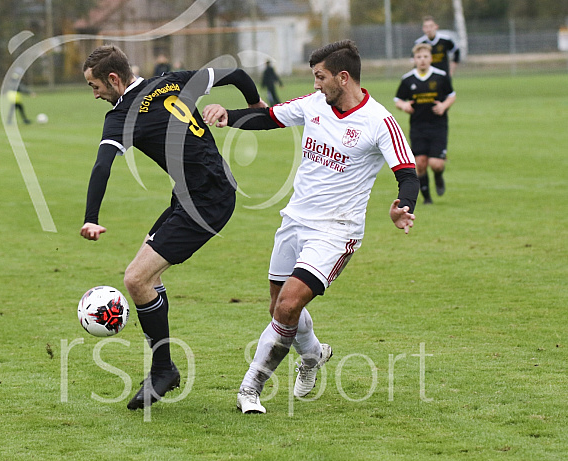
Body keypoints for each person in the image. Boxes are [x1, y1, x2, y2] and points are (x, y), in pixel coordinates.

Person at [202, 40, 418, 414]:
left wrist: (405, 206)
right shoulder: (315, 104)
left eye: (321, 77)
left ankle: (250, 388)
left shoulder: (379, 121)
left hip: (336, 230)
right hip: (295, 220)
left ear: (343, 77)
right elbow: (268, 117)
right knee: (279, 308)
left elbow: (408, 173)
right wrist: (227, 116)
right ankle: (314, 354)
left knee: (288, 305)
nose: (316, 84)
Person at [80, 45, 266, 410]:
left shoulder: (121, 117)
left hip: (205, 204)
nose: (95, 93)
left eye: (94, 85)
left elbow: (102, 166)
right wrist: (256, 102)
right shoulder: (172, 82)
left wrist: (91, 217)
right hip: (194, 196)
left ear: (113, 79)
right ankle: (163, 369)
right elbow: (233, 72)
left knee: (136, 280)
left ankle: (164, 370)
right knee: (146, 279)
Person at [395, 43, 456, 204]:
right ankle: (427, 198)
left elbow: (452, 95)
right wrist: (404, 105)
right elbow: (398, 99)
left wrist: (444, 106)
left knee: (435, 164)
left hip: (438, 126)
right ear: (414, 59)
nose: (422, 60)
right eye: (419, 57)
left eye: (425, 57)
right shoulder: (408, 79)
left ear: (431, 58)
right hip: (418, 127)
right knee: (420, 164)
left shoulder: (441, 76)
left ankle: (438, 175)